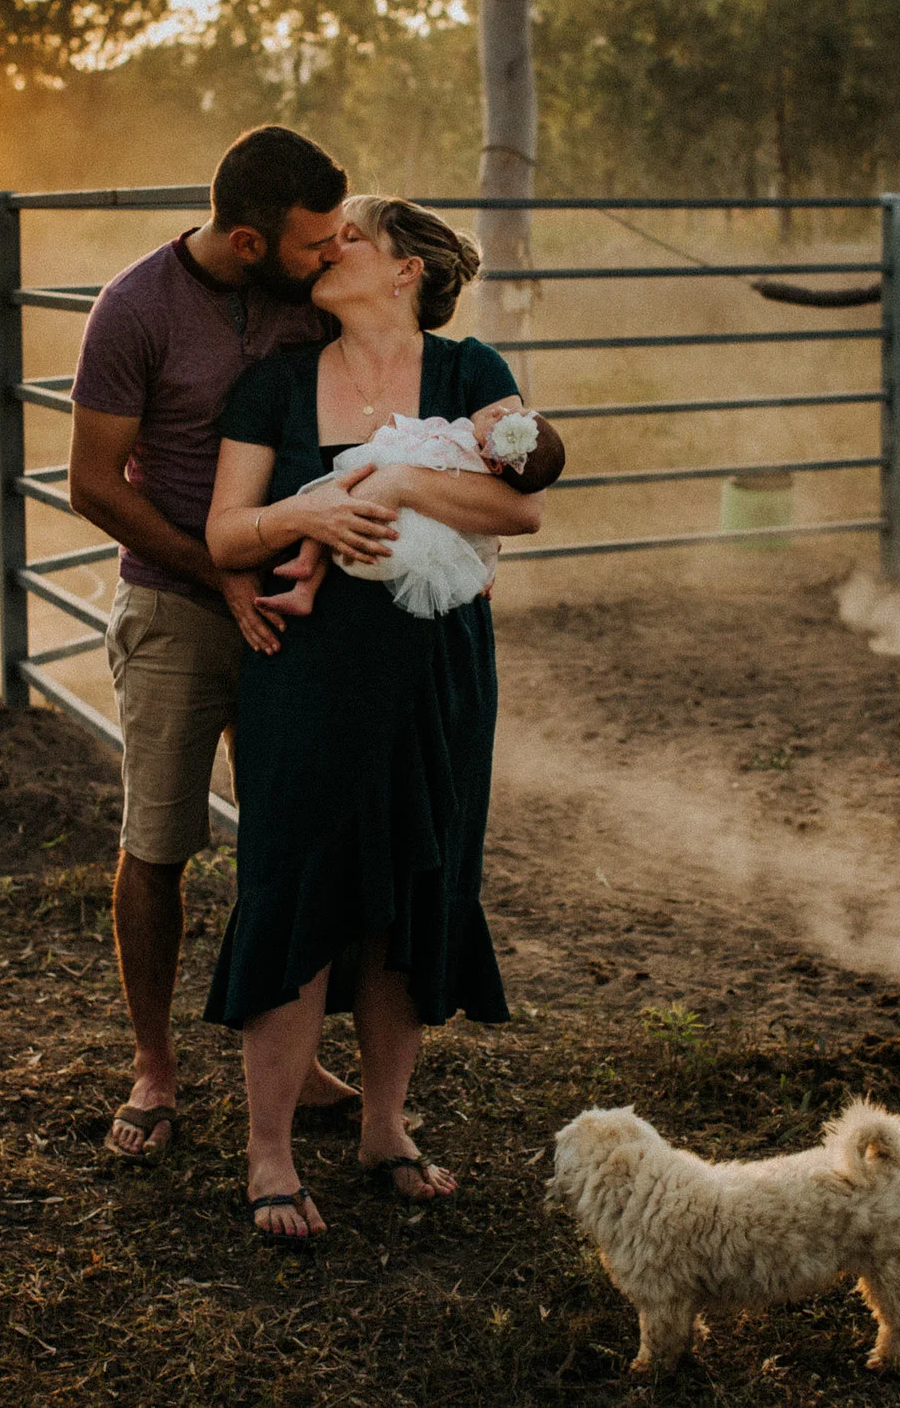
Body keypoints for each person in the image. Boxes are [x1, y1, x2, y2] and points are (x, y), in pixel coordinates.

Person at [202, 194, 545, 1242]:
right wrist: (301, 513)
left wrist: (398, 477)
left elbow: (520, 504)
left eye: (351, 233)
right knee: (299, 885)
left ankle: (384, 1127)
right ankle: (269, 1149)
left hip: (436, 669)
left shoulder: (469, 373)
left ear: (405, 270)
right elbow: (225, 532)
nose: (327, 244)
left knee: (413, 882)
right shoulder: (273, 381)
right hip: (304, 670)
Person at [66, 124, 387, 1162]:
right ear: (249, 241)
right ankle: (153, 1068)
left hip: (294, 605)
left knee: (288, 840)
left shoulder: (309, 293)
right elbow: (91, 482)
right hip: (175, 607)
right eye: (312, 241)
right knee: (158, 841)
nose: (329, 254)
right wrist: (222, 571)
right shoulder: (134, 309)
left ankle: (292, 1054)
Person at [256, 402, 565, 621]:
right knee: (334, 512)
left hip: (393, 536)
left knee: (328, 499)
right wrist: (483, 576)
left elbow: (428, 435)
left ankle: (306, 563)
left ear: (496, 462)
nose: (499, 410)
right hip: (396, 544)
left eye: (502, 422)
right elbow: (485, 540)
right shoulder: (479, 474)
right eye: (509, 413)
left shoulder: (467, 458)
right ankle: (304, 590)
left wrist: (394, 430)